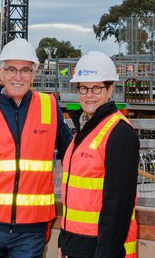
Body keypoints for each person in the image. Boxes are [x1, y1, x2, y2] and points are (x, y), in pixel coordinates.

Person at [0, 37, 73, 258]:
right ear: (0, 72)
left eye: (25, 70)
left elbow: (73, 158)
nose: (18, 77)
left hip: (31, 231)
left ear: (34, 74)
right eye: (11, 69)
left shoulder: (49, 108)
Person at [58, 51, 139, 258]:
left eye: (96, 88)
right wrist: (64, 244)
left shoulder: (120, 132)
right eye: (83, 88)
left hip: (100, 249)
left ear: (110, 89)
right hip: (76, 245)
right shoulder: (85, 129)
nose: (89, 95)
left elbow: (118, 203)